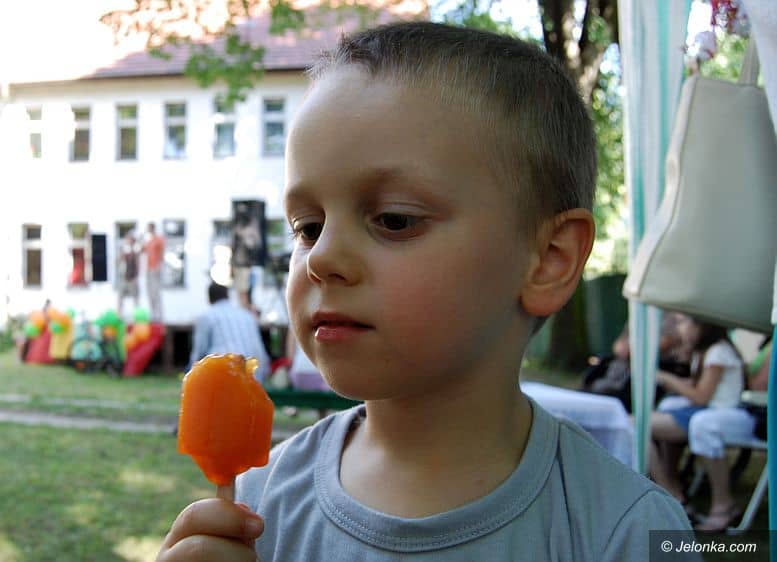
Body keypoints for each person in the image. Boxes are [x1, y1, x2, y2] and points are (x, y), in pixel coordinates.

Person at [157, 22, 690, 562]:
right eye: (308, 227)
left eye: (394, 219)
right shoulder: (257, 506)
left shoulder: (628, 533)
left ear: (549, 260)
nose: (319, 258)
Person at [648, 316, 745, 516]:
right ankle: (671, 485)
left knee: (636, 425)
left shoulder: (718, 352)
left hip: (713, 413)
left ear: (702, 325)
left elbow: (701, 396)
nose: (679, 328)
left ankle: (670, 492)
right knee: (647, 418)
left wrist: (668, 379)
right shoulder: (707, 351)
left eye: (683, 322)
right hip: (703, 412)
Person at [684, 338, 771, 531]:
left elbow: (760, 385)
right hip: (755, 412)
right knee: (700, 422)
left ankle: (723, 505)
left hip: (763, 418)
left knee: (703, 424)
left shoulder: (771, 346)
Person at [189, 282, 272, 381]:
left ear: (209, 298)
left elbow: (199, 352)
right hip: (254, 375)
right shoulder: (247, 315)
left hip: (224, 376)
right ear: (228, 295)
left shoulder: (206, 316)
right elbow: (260, 351)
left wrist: (190, 375)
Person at [142, 222, 164, 322]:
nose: (148, 230)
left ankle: (159, 315)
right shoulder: (148, 241)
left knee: (156, 292)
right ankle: (153, 314)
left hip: (155, 269)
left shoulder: (159, 239)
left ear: (152, 228)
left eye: (149, 228)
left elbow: (162, 252)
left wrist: (159, 266)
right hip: (148, 269)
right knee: (150, 293)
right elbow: (142, 250)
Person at [117, 232, 140, 318]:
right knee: (120, 298)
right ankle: (119, 316)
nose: (128, 241)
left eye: (130, 239)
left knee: (135, 298)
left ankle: (137, 316)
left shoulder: (135, 250)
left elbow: (137, 264)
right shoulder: (123, 250)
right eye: (127, 239)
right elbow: (118, 262)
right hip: (123, 278)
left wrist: (135, 276)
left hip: (132, 278)